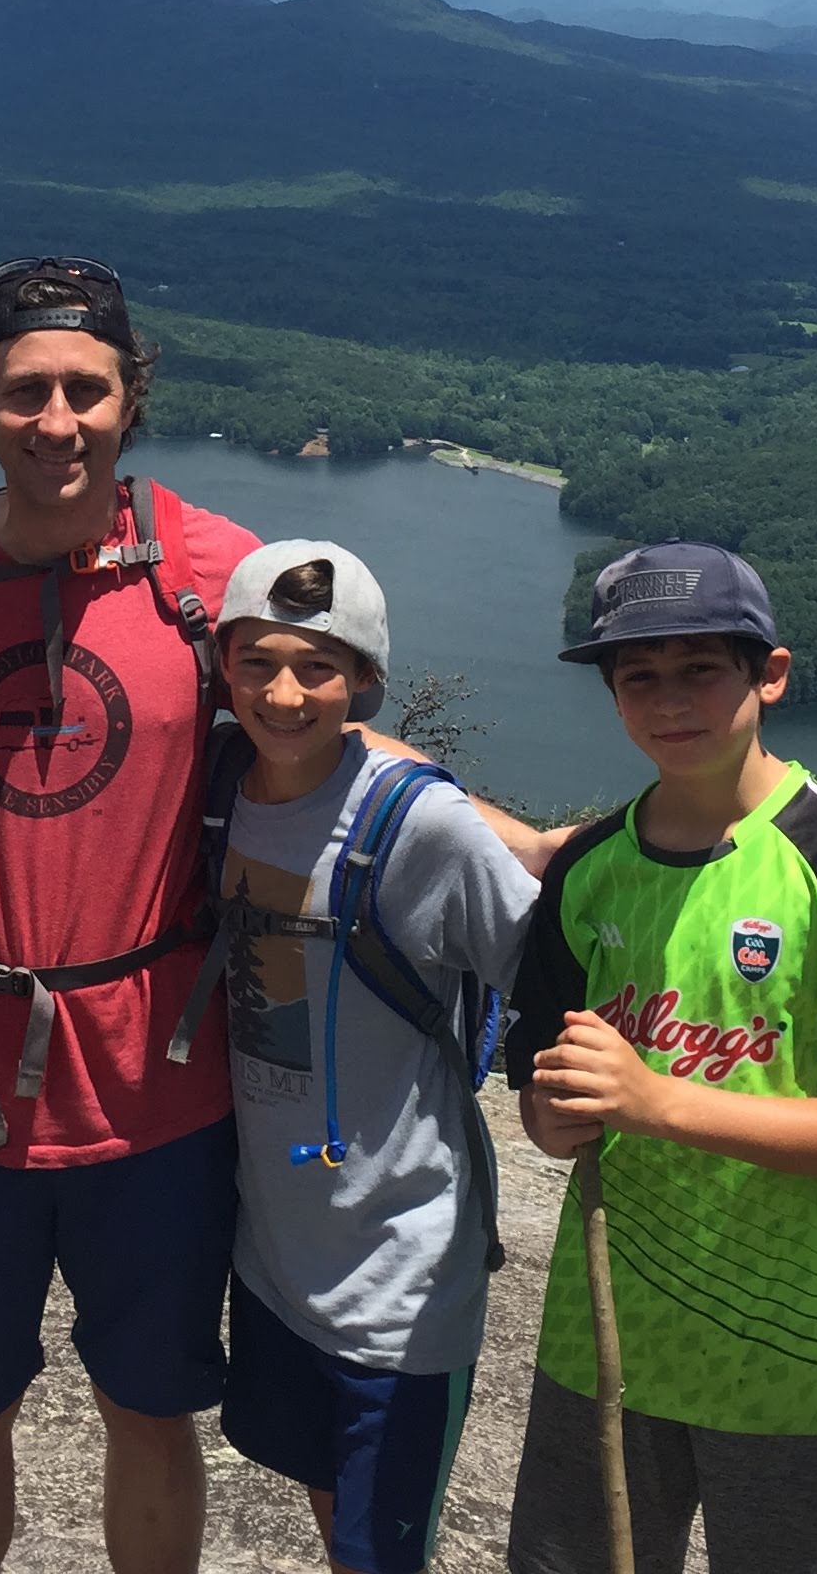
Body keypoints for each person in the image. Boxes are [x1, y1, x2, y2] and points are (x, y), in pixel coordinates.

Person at [0, 255, 262, 1574]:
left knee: (152, 1413)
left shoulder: (217, 574)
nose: (58, 423)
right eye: (25, 392)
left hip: (156, 1091)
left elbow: (331, 760)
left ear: (130, 397)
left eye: (86, 391)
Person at [502, 542, 817, 1574]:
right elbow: (541, 1088)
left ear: (769, 676)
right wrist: (553, 1116)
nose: (668, 701)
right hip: (607, 1339)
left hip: (803, 1353)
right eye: (637, 677)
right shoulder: (589, 872)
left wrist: (656, 1101)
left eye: (701, 669)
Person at [198, 539, 539, 1574]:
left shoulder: (422, 823)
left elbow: (548, 972)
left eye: (319, 668)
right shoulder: (216, 783)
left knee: (381, 1549)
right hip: (277, 1259)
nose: (285, 693)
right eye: (257, 662)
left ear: (367, 684)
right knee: (328, 1503)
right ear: (223, 668)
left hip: (400, 1278)